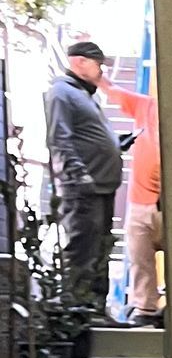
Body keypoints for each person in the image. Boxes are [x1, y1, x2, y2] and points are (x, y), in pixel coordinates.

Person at [44, 38, 124, 312]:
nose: (102, 71)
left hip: (101, 187)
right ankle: (78, 317)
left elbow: (84, 136)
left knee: (100, 252)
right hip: (84, 189)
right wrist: (81, 178)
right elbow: (60, 140)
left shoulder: (83, 94)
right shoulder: (61, 93)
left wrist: (117, 144)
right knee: (82, 253)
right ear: (79, 62)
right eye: (98, 64)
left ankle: (96, 313)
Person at [123, 116, 163, 325]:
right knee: (140, 258)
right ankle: (145, 306)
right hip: (142, 204)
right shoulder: (145, 114)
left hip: (166, 204)